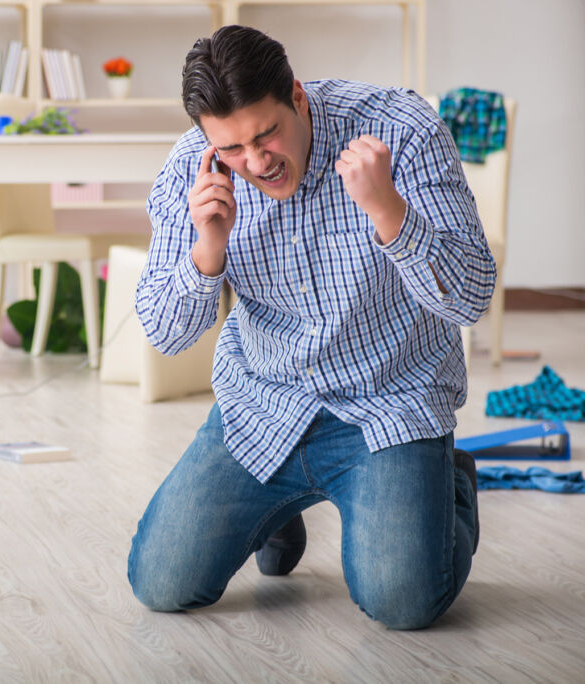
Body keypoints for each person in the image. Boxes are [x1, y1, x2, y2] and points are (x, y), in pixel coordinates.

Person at [128, 25, 495, 630]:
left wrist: (389, 211)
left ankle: (446, 483)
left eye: (266, 134)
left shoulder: (402, 130)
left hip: (389, 405)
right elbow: (165, 334)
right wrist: (207, 251)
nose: (256, 161)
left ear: (297, 96)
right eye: (233, 149)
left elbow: (471, 297)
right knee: (162, 584)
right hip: (264, 405)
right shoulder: (188, 174)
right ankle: (276, 510)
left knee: (403, 604)